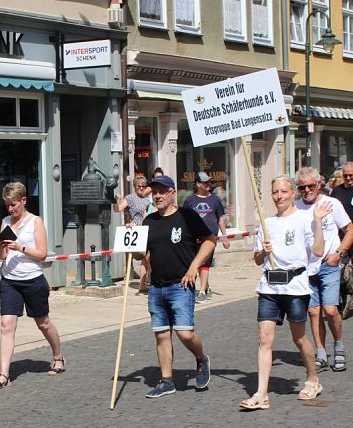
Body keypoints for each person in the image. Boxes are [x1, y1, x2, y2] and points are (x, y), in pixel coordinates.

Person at [240, 176, 329, 410]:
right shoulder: (266, 222)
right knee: (264, 339)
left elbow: (318, 251)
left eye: (283, 192)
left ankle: (312, 378)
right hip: (269, 286)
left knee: (299, 338)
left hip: (295, 286)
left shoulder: (304, 218)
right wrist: (263, 251)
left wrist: (318, 221)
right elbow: (258, 259)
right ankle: (261, 393)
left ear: (292, 194)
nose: (279, 196)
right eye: (275, 192)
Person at [132, 175, 215, 398]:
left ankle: (201, 358)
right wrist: (131, 240)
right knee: (161, 335)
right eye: (154, 192)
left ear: (172, 193)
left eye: (161, 192)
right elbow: (141, 254)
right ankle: (167, 380)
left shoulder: (187, 216)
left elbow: (209, 240)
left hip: (181, 284)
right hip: (157, 287)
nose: (157, 196)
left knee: (185, 334)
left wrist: (194, 267)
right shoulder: (149, 221)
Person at [0, 182, 64, 389]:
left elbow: (42, 254)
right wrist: (1, 248)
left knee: (43, 323)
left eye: (14, 205)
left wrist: (20, 246)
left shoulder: (35, 222)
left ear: (23, 201)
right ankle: (3, 374)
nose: (11, 209)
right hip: (9, 281)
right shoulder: (5, 222)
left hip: (32, 280)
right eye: (7, 206)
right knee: (6, 326)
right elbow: (1, 256)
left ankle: (58, 356)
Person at [295, 168, 353, 373]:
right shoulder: (295, 208)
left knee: (330, 310)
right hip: (305, 268)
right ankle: (320, 352)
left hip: (328, 265)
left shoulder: (332, 204)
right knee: (313, 312)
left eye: (311, 186)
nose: (306, 190)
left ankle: (339, 346)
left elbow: (351, 231)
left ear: (319, 184)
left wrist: (339, 253)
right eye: (302, 187)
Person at [182, 172, 230, 303]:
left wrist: (224, 236)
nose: (208, 184)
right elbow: (184, 219)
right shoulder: (190, 201)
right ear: (198, 184)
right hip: (194, 237)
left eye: (209, 182)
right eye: (205, 182)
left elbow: (220, 219)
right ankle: (207, 287)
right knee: (197, 264)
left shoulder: (214, 200)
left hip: (210, 238)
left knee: (205, 265)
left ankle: (202, 291)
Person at [113, 175, 152, 294]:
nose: (141, 188)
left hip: (148, 229)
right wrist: (115, 200)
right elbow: (118, 209)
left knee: (147, 259)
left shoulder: (149, 199)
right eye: (139, 186)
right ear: (134, 187)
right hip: (137, 230)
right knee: (145, 256)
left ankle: (144, 284)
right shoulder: (130, 198)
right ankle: (148, 281)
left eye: (143, 186)